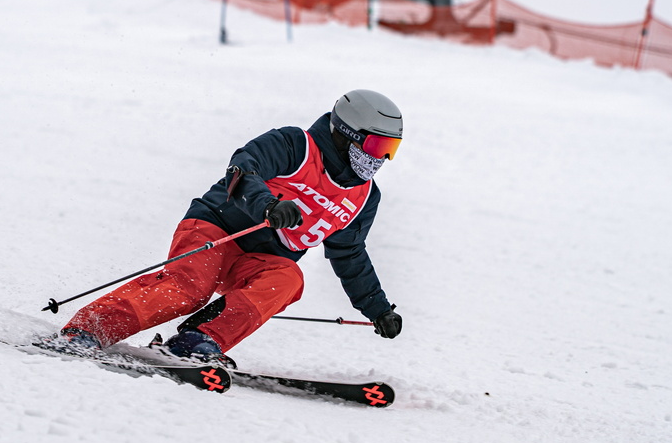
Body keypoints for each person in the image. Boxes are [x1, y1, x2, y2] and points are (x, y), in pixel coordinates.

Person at [47, 89, 405, 366]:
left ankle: (198, 341)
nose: (381, 158)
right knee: (189, 290)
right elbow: (243, 167)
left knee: (289, 280)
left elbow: (349, 253)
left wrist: (378, 309)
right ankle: (91, 329)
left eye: (391, 149)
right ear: (345, 133)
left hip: (262, 259)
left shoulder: (362, 197)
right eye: (376, 144)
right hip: (216, 230)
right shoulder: (295, 145)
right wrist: (268, 204)